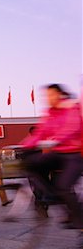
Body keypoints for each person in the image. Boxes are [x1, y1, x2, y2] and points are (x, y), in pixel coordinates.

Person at [21, 84, 82, 229]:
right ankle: (51, 194)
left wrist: (55, 140)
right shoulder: (50, 113)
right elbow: (41, 131)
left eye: (52, 95)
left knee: (64, 187)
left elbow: (73, 128)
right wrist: (25, 146)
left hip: (75, 154)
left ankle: (80, 222)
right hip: (58, 153)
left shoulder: (72, 108)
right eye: (47, 96)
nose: (49, 98)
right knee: (31, 163)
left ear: (60, 94)